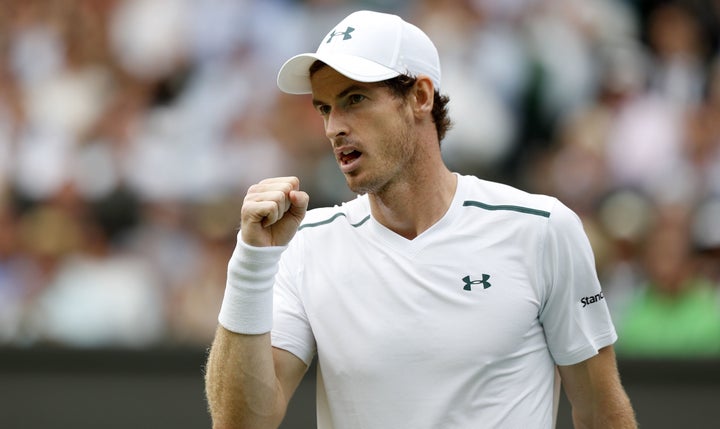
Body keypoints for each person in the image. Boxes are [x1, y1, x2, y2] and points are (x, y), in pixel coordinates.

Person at [205, 10, 637, 429]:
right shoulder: (305, 246)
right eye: (324, 108)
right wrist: (250, 265)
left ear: (420, 97)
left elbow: (601, 413)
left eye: (355, 99)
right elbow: (241, 423)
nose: (334, 127)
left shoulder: (542, 229)